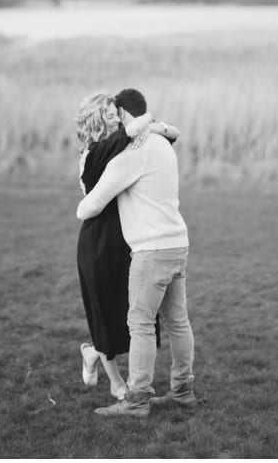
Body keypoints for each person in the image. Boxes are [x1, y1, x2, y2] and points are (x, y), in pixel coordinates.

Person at [76, 88, 195, 418]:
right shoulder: (162, 145)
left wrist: (82, 207)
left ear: (126, 116)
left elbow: (91, 204)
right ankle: (183, 391)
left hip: (151, 250)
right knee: (178, 322)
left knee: (140, 324)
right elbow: (170, 130)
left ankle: (137, 399)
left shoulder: (132, 155)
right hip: (177, 244)